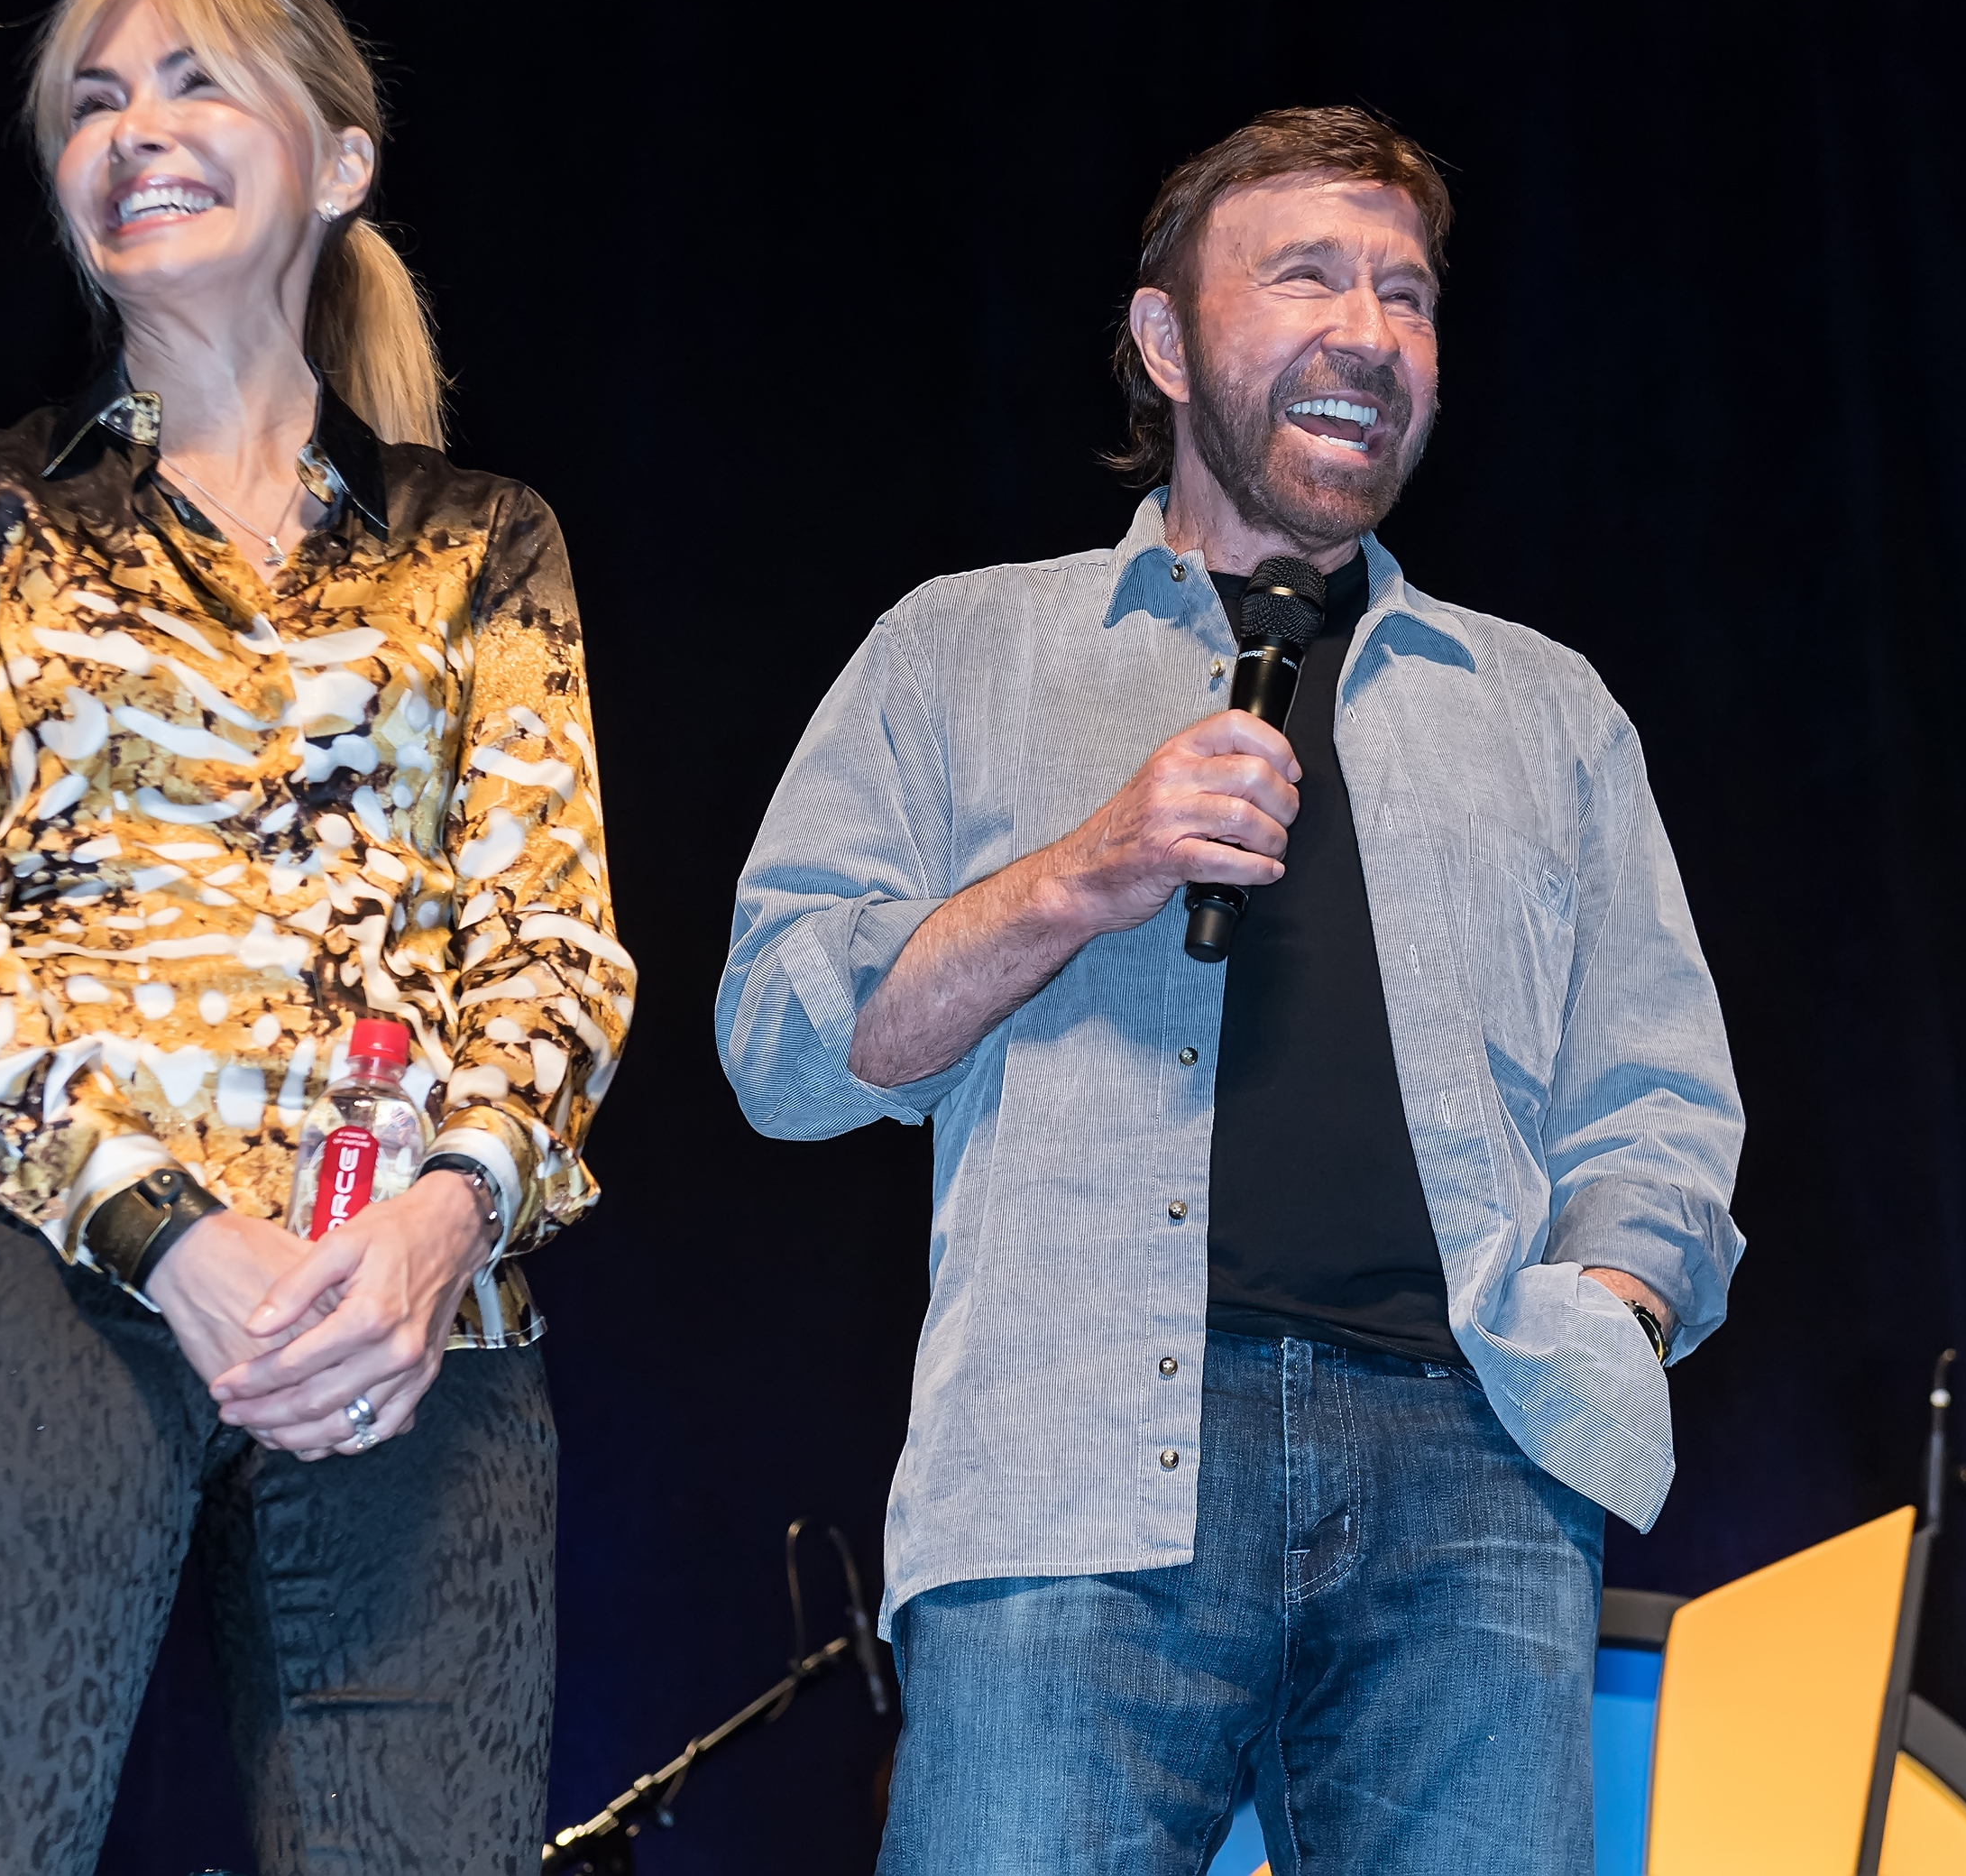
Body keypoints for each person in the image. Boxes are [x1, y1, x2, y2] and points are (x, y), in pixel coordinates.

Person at [718, 107, 1743, 1875]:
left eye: (1406, 294)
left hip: (1471, 1478)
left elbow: (1657, 1094)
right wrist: (1082, 872)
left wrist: (1605, 1321)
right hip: (1074, 1466)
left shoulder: (1548, 708)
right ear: (1167, 341)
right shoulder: (965, 650)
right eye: (1308, 276)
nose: (1369, 329)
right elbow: (787, 1045)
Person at [0, 0, 633, 1875]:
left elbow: (556, 945)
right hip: (34, 1258)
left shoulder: (481, 541)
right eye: (90, 101)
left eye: (190, 83)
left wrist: (441, 1228)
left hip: (407, 1314)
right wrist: (167, 1228)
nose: (133, 130)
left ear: (337, 160)